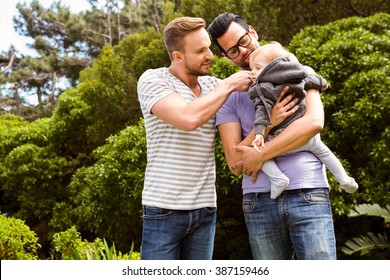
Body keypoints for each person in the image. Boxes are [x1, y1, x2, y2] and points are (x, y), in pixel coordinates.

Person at [208, 12, 338, 259]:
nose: (243, 52)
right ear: (225, 57)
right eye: (233, 51)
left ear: (253, 32)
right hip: (258, 202)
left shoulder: (297, 70)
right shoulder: (228, 96)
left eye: (243, 41)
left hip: (308, 192)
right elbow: (235, 163)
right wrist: (269, 123)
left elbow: (313, 123)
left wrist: (261, 154)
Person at [137, 16, 252, 260]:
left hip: (205, 210)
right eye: (200, 51)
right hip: (163, 209)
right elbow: (188, 118)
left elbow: (260, 76)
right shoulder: (153, 80)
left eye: (209, 47)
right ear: (178, 56)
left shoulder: (214, 86)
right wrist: (230, 84)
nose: (210, 55)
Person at [248, 42, 358, 199]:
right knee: (325, 153)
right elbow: (314, 81)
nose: (252, 72)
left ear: (273, 66)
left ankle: (278, 179)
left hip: (286, 139)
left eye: (257, 68)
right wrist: (323, 83)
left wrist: (259, 133)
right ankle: (345, 179)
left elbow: (262, 112)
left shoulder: (264, 88)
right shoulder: (298, 75)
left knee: (258, 154)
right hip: (307, 137)